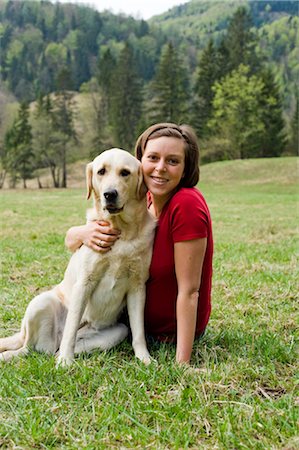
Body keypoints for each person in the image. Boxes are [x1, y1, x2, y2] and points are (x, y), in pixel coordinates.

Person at [65, 123, 213, 364]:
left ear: (186, 168)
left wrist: (182, 364)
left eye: (173, 161)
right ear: (140, 162)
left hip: (166, 333)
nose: (160, 168)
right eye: (153, 158)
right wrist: (79, 233)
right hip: (120, 320)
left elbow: (190, 291)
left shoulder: (186, 205)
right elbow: (75, 243)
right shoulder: (142, 201)